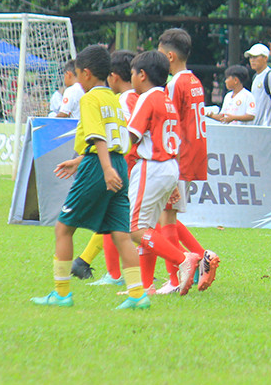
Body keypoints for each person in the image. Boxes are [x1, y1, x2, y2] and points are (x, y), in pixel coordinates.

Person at [31, 45, 146, 309]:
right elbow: (117, 140)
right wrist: (80, 159)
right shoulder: (114, 100)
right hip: (117, 162)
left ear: (85, 73)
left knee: (63, 228)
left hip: (101, 166)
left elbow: (98, 137)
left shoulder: (89, 99)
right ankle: (138, 296)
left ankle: (61, 294)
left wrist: (103, 168)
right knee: (121, 233)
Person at [128, 50, 201, 295]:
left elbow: (131, 136)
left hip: (152, 165)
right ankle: (146, 286)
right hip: (170, 166)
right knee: (147, 227)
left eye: (132, 73)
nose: (131, 78)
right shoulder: (167, 100)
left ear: (142, 74)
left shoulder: (147, 98)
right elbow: (177, 141)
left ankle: (183, 259)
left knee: (136, 230)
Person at [158, 28, 219, 294]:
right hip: (191, 155)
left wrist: (168, 159)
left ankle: (176, 277)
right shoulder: (194, 80)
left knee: (165, 217)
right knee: (166, 215)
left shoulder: (174, 85)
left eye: (160, 55)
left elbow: (171, 123)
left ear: (170, 56)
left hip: (177, 157)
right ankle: (201, 257)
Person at [72, 50, 138, 286]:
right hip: (123, 162)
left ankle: (183, 260)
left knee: (119, 223)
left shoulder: (121, 99)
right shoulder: (122, 99)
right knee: (121, 223)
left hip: (118, 162)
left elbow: (108, 136)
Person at [246, 43, 271, 127]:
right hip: (256, 125)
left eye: (255, 57)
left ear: (265, 58)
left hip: (267, 125)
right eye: (250, 57)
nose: (252, 60)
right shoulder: (255, 77)